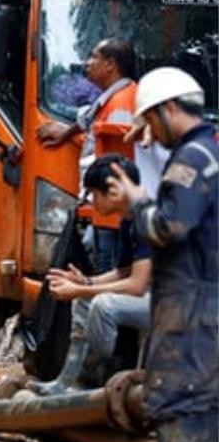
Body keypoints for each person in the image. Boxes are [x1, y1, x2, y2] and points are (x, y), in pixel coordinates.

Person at [107, 66, 217, 442]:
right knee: (201, 407)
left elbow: (170, 225)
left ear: (171, 109)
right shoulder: (209, 148)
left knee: (177, 405)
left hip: (190, 302)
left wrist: (134, 201)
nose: (149, 130)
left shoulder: (191, 158)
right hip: (204, 297)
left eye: (152, 119)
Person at [28, 155, 150, 395]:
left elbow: (137, 285)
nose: (92, 202)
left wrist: (82, 289)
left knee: (104, 305)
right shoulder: (129, 220)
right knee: (86, 300)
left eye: (94, 194)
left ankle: (96, 381)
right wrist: (85, 282)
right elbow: (125, 271)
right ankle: (67, 383)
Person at [37, 38, 139, 273]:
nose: (87, 63)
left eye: (94, 57)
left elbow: (118, 153)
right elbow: (91, 126)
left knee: (108, 274)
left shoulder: (122, 103)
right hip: (107, 212)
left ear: (110, 64)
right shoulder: (112, 98)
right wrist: (68, 133)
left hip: (112, 216)